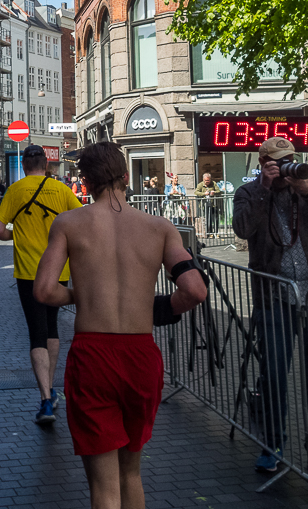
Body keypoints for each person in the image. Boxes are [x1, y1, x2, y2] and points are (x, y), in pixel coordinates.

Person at [34, 141, 207, 509]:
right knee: (131, 472)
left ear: (86, 181)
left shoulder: (69, 223)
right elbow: (194, 290)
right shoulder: (159, 227)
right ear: (126, 177)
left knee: (103, 486)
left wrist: (82, 295)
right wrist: (158, 308)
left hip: (93, 356)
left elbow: (46, 291)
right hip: (140, 355)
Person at [233, 136, 308, 481]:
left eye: (291, 160)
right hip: (274, 298)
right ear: (264, 163)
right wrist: (266, 188)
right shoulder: (249, 193)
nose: (287, 167)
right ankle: (273, 445)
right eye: (280, 162)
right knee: (275, 377)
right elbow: (242, 229)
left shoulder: (304, 190)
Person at [0, 143, 84, 425]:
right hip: (59, 271)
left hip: (29, 273)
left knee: (36, 333)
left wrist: (16, 236)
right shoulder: (62, 190)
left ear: (24, 166)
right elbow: (82, 221)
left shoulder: (15, 190)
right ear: (45, 165)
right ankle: (53, 388)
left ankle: (45, 398)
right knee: (52, 328)